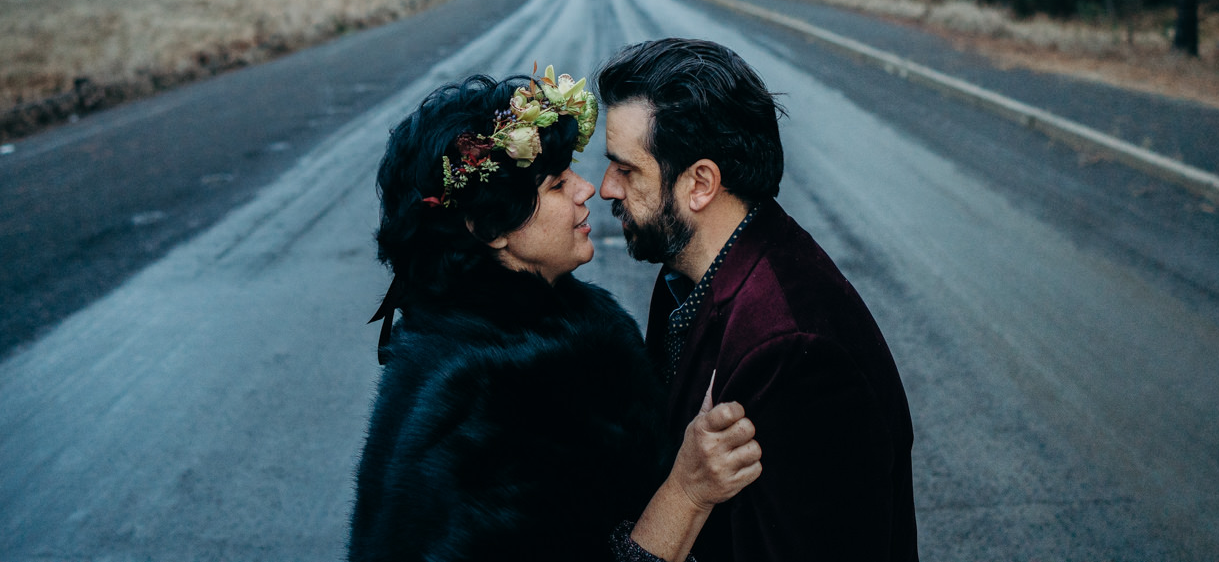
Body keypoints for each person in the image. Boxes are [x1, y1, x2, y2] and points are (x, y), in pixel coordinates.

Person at [348, 67, 762, 562]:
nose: (588, 189)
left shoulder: (529, 330)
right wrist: (688, 492)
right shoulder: (492, 395)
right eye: (556, 184)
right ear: (489, 226)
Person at [596, 39, 919, 562]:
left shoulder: (790, 351)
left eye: (626, 169)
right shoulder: (688, 273)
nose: (606, 188)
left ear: (700, 183)